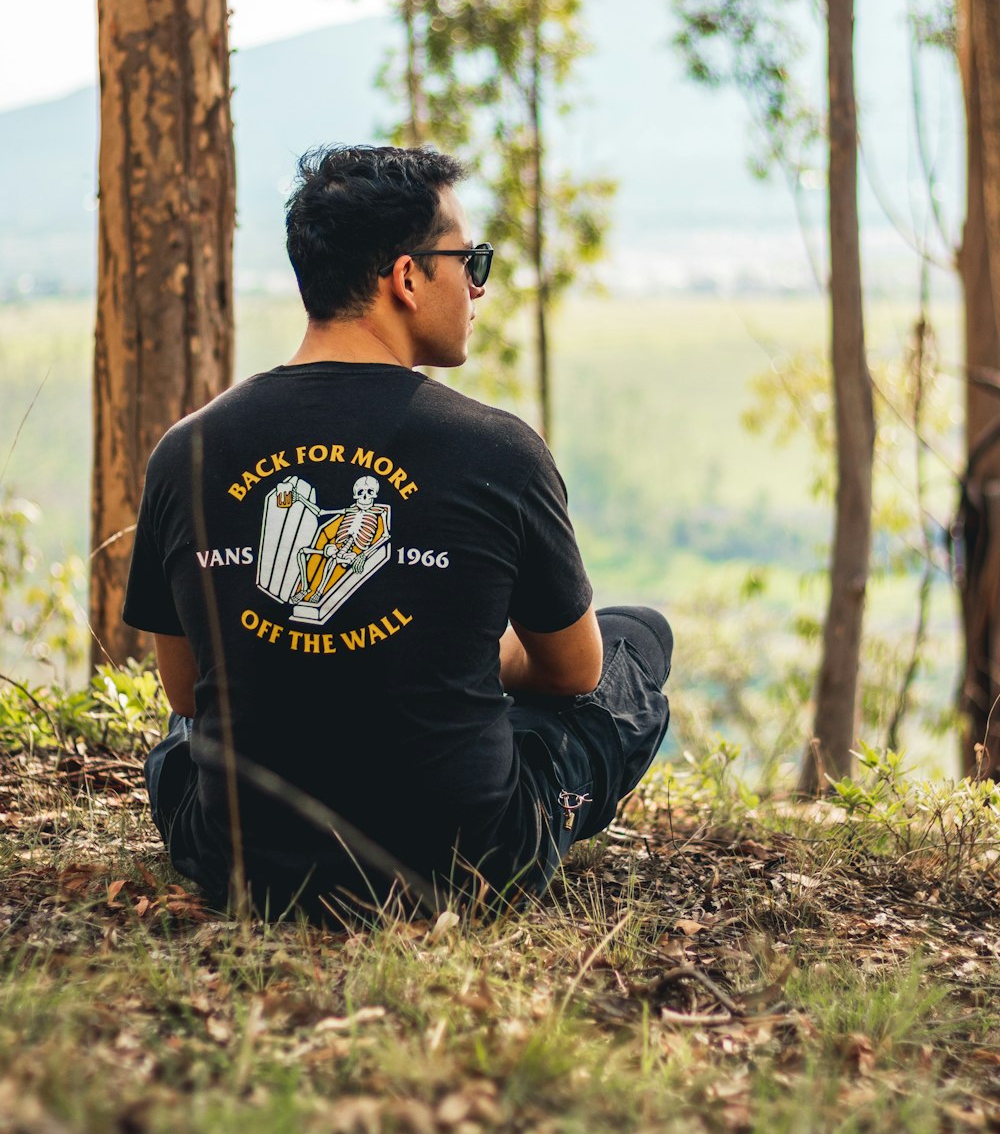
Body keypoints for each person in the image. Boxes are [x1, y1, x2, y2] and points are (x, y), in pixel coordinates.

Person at [124, 144, 672, 920]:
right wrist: (465, 653)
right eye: (469, 260)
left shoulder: (187, 450)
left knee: (179, 750)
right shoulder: (499, 450)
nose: (478, 285)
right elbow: (575, 673)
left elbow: (186, 690)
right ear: (408, 277)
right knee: (637, 640)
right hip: (471, 862)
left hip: (243, 859)